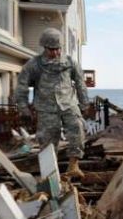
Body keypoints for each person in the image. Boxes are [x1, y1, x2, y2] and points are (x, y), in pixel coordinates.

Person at [16, 28, 88, 179]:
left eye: (58, 49)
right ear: (44, 47)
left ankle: (73, 165)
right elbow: (22, 87)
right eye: (51, 49)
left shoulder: (70, 62)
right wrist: (23, 108)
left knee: (78, 129)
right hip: (46, 108)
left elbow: (81, 83)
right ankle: (50, 174)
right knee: (47, 139)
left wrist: (84, 103)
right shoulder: (33, 65)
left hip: (69, 104)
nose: (55, 52)